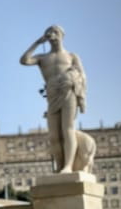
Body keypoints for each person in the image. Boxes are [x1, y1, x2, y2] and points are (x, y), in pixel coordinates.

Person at [20, 25, 87, 173]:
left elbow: (82, 76)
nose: (52, 34)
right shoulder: (42, 58)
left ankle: (68, 166)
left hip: (68, 91)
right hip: (52, 95)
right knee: (54, 135)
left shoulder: (71, 56)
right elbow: (24, 60)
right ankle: (60, 165)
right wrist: (37, 43)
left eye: (55, 32)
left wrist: (82, 98)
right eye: (49, 32)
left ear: (62, 35)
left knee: (68, 129)